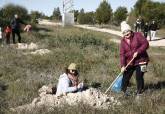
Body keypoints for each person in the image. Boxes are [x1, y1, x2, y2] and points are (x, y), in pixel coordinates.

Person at [120, 21, 149, 96]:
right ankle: (123, 91)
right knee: (125, 75)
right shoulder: (122, 41)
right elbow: (122, 54)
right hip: (130, 61)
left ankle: (140, 92)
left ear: (130, 30)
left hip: (143, 60)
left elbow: (146, 44)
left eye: (127, 31)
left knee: (139, 76)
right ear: (122, 34)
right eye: (124, 32)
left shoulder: (138, 35)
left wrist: (138, 51)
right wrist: (122, 65)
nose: (126, 34)